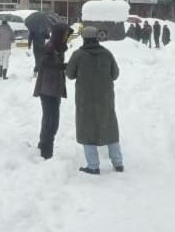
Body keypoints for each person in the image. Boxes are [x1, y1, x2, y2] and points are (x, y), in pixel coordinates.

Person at [67, 26, 122, 174]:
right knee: (110, 127)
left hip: (85, 99)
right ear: (97, 38)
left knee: (87, 130)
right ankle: (118, 163)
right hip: (105, 98)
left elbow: (70, 74)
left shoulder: (78, 55)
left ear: (84, 39)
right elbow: (115, 74)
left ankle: (93, 165)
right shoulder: (107, 54)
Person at [34, 23, 70, 160]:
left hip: (53, 89)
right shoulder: (50, 47)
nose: (66, 38)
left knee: (50, 120)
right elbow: (45, 63)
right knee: (51, 121)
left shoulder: (58, 47)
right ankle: (46, 151)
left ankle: (44, 146)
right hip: (47, 89)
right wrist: (63, 66)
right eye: (65, 35)